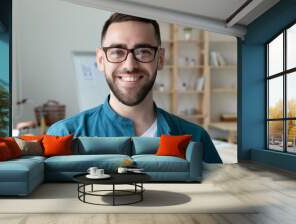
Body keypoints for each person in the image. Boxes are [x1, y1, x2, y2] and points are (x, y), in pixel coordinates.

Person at [47, 13, 221, 163]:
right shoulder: (63, 135)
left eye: (143, 51)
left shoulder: (196, 139)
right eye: (117, 52)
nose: (130, 65)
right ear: (101, 60)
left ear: (160, 59)